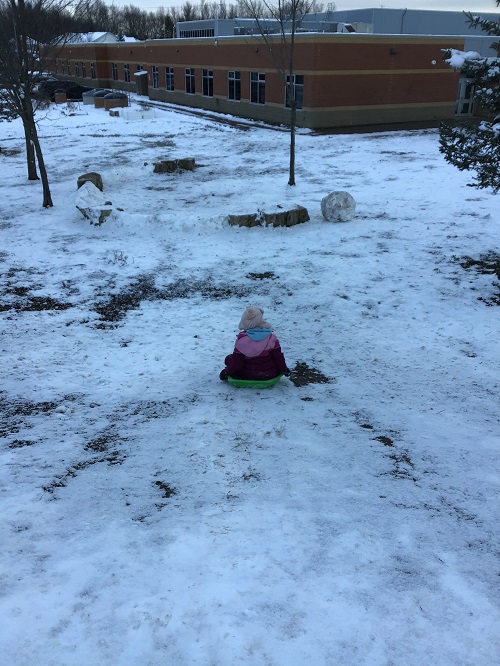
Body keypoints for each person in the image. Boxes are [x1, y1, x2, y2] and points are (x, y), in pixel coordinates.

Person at [219, 306, 290, 381]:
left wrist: (226, 372)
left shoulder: (242, 340)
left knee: (229, 359)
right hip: (269, 374)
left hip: (247, 375)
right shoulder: (271, 338)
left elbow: (238, 363)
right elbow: (278, 357)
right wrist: (284, 369)